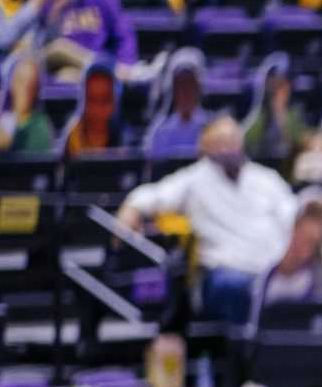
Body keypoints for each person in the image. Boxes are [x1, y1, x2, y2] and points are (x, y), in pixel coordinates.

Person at [119, 118, 297, 325]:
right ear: (205, 147)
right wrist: (130, 209)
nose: (227, 147)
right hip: (223, 272)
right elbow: (151, 196)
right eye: (220, 141)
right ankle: (249, 351)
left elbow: (294, 216)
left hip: (273, 269)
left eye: (232, 139)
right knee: (244, 288)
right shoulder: (196, 178)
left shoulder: (266, 178)